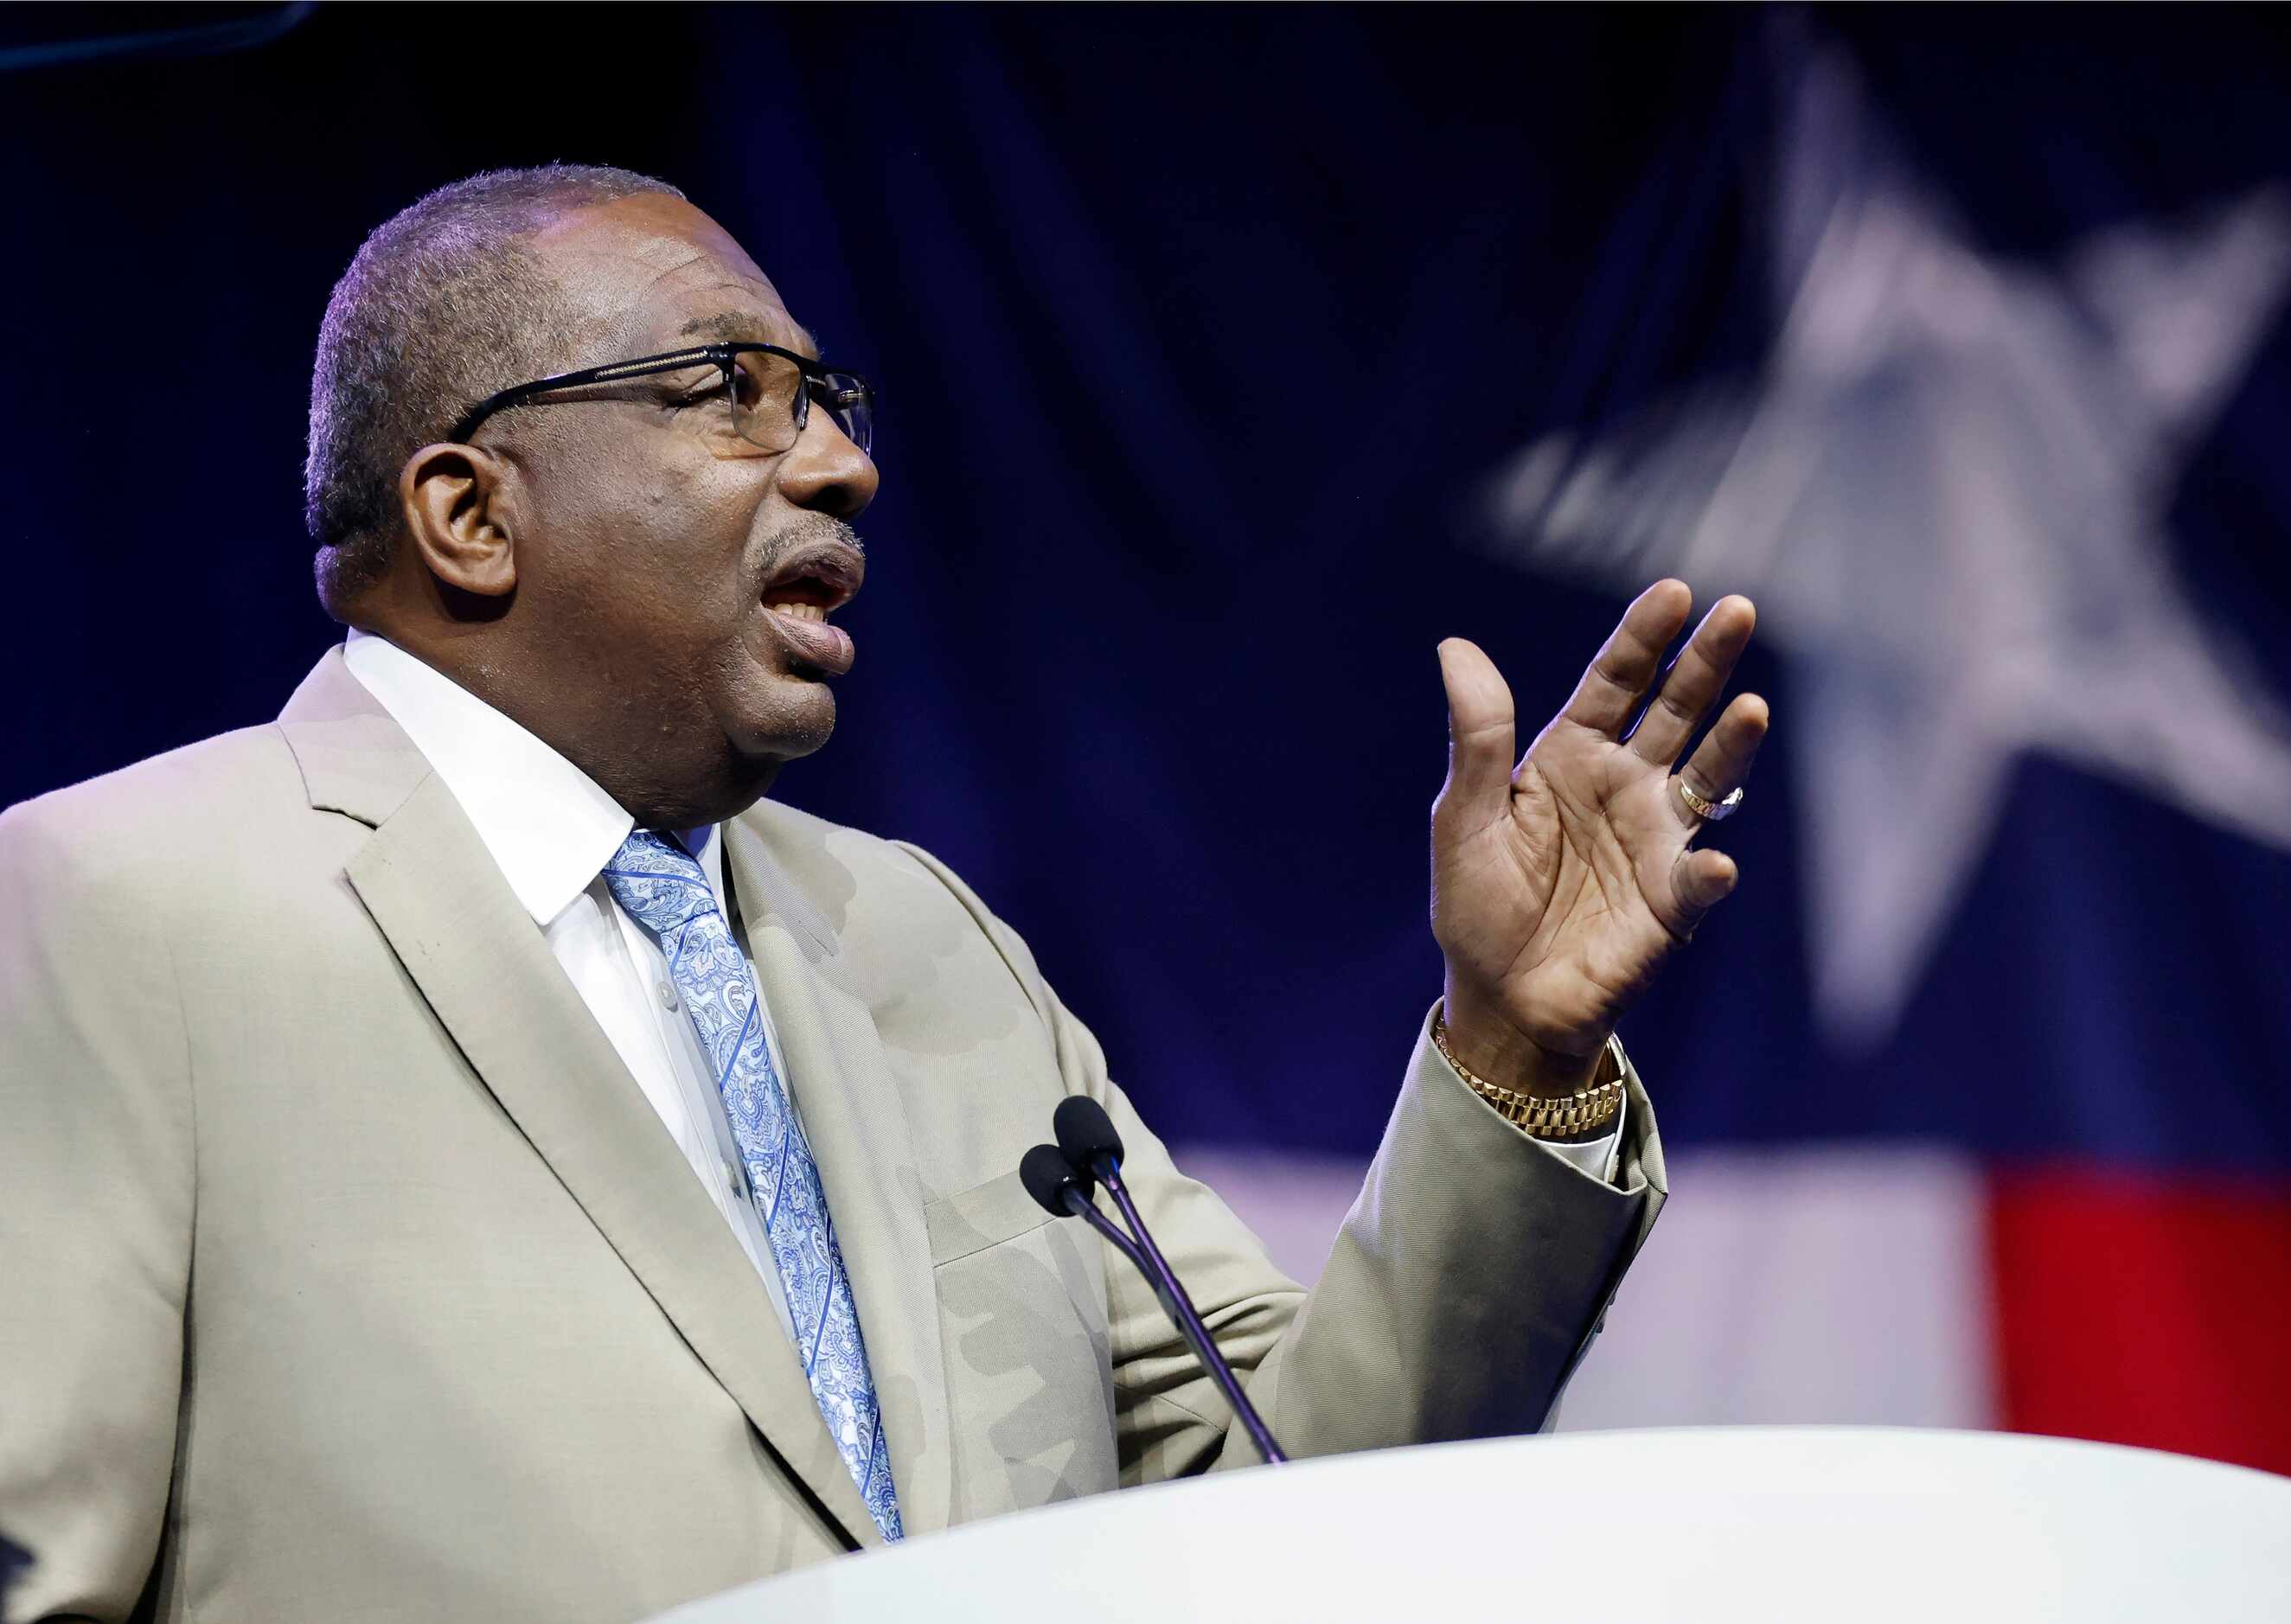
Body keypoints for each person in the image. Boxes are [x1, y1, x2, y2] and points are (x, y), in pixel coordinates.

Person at [0, 164, 1768, 1623]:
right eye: (728, 394)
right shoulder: (112, 912)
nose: (842, 461)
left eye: (829, 401)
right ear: (470, 513)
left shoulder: (918, 937)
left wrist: (1509, 1050)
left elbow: (1289, 1508)